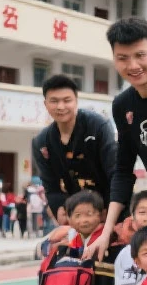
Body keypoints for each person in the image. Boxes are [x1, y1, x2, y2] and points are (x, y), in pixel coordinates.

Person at [86, 18, 147, 262]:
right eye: (123, 58)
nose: (133, 65)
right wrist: (107, 230)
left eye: (140, 55)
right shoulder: (123, 105)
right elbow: (123, 169)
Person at [31, 74, 116, 226]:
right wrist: (60, 209)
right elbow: (51, 186)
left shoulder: (98, 126)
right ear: (45, 104)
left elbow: (114, 173)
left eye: (67, 100)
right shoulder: (41, 142)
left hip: (107, 210)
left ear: (76, 101)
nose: (61, 107)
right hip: (75, 215)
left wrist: (110, 212)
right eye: (54, 101)